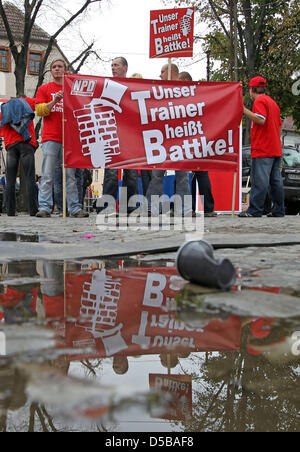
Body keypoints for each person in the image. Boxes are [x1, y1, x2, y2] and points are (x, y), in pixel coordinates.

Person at [35, 59, 88, 218]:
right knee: (47, 174)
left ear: (65, 70)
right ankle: (45, 207)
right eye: (54, 67)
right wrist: (55, 101)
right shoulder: (44, 88)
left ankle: (74, 208)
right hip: (51, 137)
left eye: (60, 67)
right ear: (51, 71)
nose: (57, 69)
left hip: (69, 138)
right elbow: (40, 111)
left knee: (71, 176)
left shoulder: (73, 89)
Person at [145, 63, 192, 216]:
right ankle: (152, 208)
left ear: (171, 72)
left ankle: (184, 209)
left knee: (182, 175)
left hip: (180, 137)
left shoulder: (187, 91)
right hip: (163, 138)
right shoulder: (159, 91)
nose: (160, 75)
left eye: (162, 71)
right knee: (158, 174)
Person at [96, 57, 138, 215]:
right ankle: (108, 206)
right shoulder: (107, 86)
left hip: (131, 136)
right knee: (111, 173)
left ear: (125, 68)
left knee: (132, 173)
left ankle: (129, 206)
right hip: (111, 134)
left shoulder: (134, 86)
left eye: (116, 65)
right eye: (111, 65)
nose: (113, 68)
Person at [239, 76, 285, 218]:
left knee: (260, 181)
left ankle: (254, 210)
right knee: (275, 181)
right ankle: (279, 210)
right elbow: (279, 126)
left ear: (252, 90)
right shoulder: (272, 103)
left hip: (263, 148)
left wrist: (243, 110)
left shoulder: (259, 101)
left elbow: (261, 119)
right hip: (275, 148)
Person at [178, 71, 217, 217]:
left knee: (193, 175)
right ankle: (207, 208)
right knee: (199, 174)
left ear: (186, 80)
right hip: (200, 139)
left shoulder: (185, 96)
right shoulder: (199, 95)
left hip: (191, 140)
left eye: (179, 80)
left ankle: (193, 209)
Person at [0, 96, 38, 217]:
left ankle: (10, 211)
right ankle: (33, 210)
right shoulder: (27, 102)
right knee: (29, 178)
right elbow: (42, 106)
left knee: (10, 179)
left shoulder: (4, 108)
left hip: (11, 145)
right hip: (26, 144)